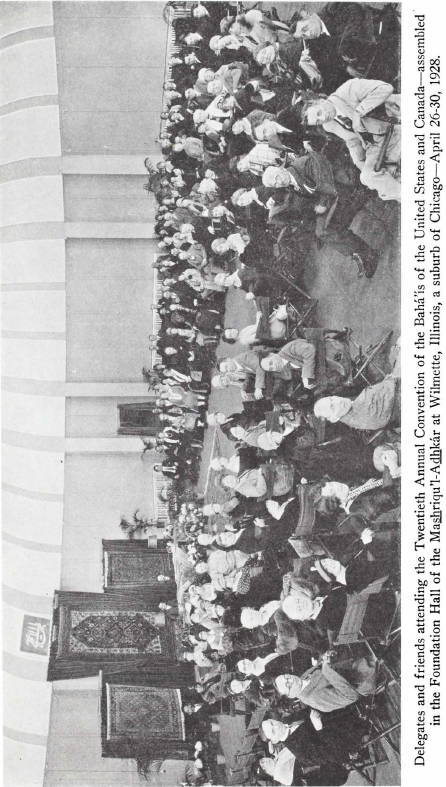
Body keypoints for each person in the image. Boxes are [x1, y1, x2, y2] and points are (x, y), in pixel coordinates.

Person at [302, 79, 401, 202]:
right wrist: (358, 161)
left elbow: (386, 88)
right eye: (318, 121)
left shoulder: (348, 89)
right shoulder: (328, 125)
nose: (323, 118)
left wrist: (358, 113)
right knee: (366, 177)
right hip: (376, 143)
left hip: (394, 122)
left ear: (322, 101)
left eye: (319, 112)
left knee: (389, 177)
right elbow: (352, 140)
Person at [314, 377, 400, 431]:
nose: (338, 401)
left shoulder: (350, 413)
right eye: (332, 407)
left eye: (331, 399)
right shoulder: (363, 409)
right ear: (334, 419)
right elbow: (392, 387)